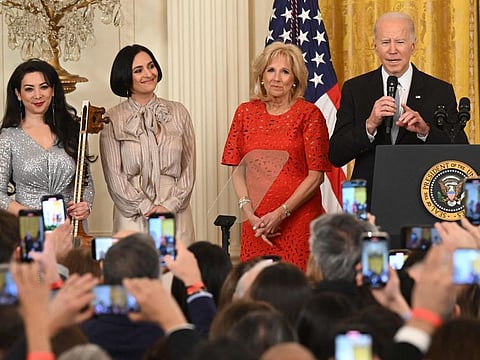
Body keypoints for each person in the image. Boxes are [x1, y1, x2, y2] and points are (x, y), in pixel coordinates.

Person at [329, 12, 469, 202]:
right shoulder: (356, 89)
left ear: (413, 46)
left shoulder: (439, 90)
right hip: (367, 199)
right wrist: (368, 126)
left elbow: (460, 150)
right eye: (385, 42)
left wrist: (425, 131)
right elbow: (336, 155)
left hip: (421, 196)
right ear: (375, 46)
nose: (392, 50)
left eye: (400, 42)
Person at [221, 41, 331, 271]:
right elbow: (237, 169)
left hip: (298, 222)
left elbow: (316, 176)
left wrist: (282, 213)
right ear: (261, 76)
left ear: (295, 80)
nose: (276, 78)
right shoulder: (245, 112)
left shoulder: (309, 114)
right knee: (255, 290)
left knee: (296, 289)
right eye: (271, 70)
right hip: (256, 224)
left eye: (285, 72)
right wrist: (249, 213)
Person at [100, 44, 196, 244]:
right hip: (132, 212)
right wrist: (144, 206)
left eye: (151, 66)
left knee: (174, 271)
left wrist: (170, 204)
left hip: (174, 207)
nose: (148, 73)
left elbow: (189, 166)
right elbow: (114, 175)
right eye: (138, 70)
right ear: (125, 77)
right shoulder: (112, 118)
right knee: (135, 271)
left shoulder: (178, 112)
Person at [0, 59, 94, 219]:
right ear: (18, 94)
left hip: (71, 226)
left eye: (44, 87)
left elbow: (86, 182)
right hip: (29, 227)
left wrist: (86, 205)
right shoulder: (8, 137)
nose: (38, 95)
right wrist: (33, 215)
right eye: (29, 89)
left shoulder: (73, 130)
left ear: (53, 90)